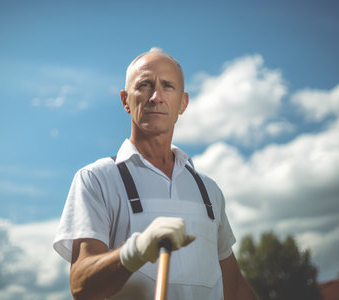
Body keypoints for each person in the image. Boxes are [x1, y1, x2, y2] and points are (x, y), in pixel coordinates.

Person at [53, 48, 257, 300]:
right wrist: (136, 250)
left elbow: (235, 289)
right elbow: (82, 286)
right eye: (145, 85)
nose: (156, 97)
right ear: (125, 100)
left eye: (168, 86)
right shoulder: (96, 179)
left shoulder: (209, 190)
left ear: (183, 103)